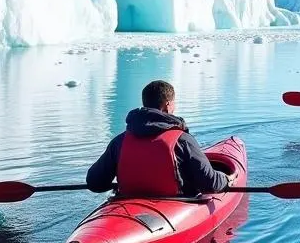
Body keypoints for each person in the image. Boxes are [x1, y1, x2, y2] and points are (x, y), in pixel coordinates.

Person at [86, 80, 232, 197]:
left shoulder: (119, 141)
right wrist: (226, 179)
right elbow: (209, 184)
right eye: (174, 103)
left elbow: (94, 183)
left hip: (128, 201)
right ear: (168, 105)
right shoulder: (183, 141)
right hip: (177, 205)